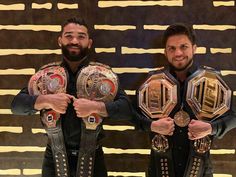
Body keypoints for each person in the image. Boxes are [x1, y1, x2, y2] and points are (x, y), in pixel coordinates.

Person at [11, 17, 133, 177]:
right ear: (60, 40)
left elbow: (127, 110)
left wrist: (96, 108)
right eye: (69, 36)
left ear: (89, 43)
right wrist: (46, 100)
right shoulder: (46, 76)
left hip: (93, 158)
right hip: (53, 158)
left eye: (81, 36)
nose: (74, 40)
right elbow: (17, 105)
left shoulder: (104, 76)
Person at [135, 23, 236, 177]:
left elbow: (233, 117)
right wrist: (152, 125)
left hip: (200, 169)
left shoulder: (213, 81)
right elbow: (132, 116)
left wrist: (211, 128)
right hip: (159, 169)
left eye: (184, 46)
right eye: (172, 48)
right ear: (165, 52)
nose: (178, 53)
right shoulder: (151, 82)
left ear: (194, 48)